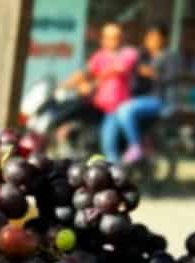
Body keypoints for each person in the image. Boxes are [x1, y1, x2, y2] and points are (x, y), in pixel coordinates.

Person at [102, 23, 180, 163]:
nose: (151, 41)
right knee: (114, 117)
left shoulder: (170, 57)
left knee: (125, 110)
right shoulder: (141, 54)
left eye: (155, 38)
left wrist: (152, 74)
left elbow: (171, 79)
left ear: (163, 39)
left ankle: (135, 146)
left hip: (157, 100)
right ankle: (114, 160)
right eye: (149, 37)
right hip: (136, 99)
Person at [63, 23, 139, 156]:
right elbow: (85, 72)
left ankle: (114, 173)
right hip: (97, 108)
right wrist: (66, 84)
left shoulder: (128, 53)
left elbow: (117, 69)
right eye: (108, 37)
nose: (112, 41)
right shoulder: (99, 56)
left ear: (122, 38)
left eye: (116, 37)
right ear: (102, 39)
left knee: (108, 144)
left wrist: (93, 82)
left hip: (116, 108)